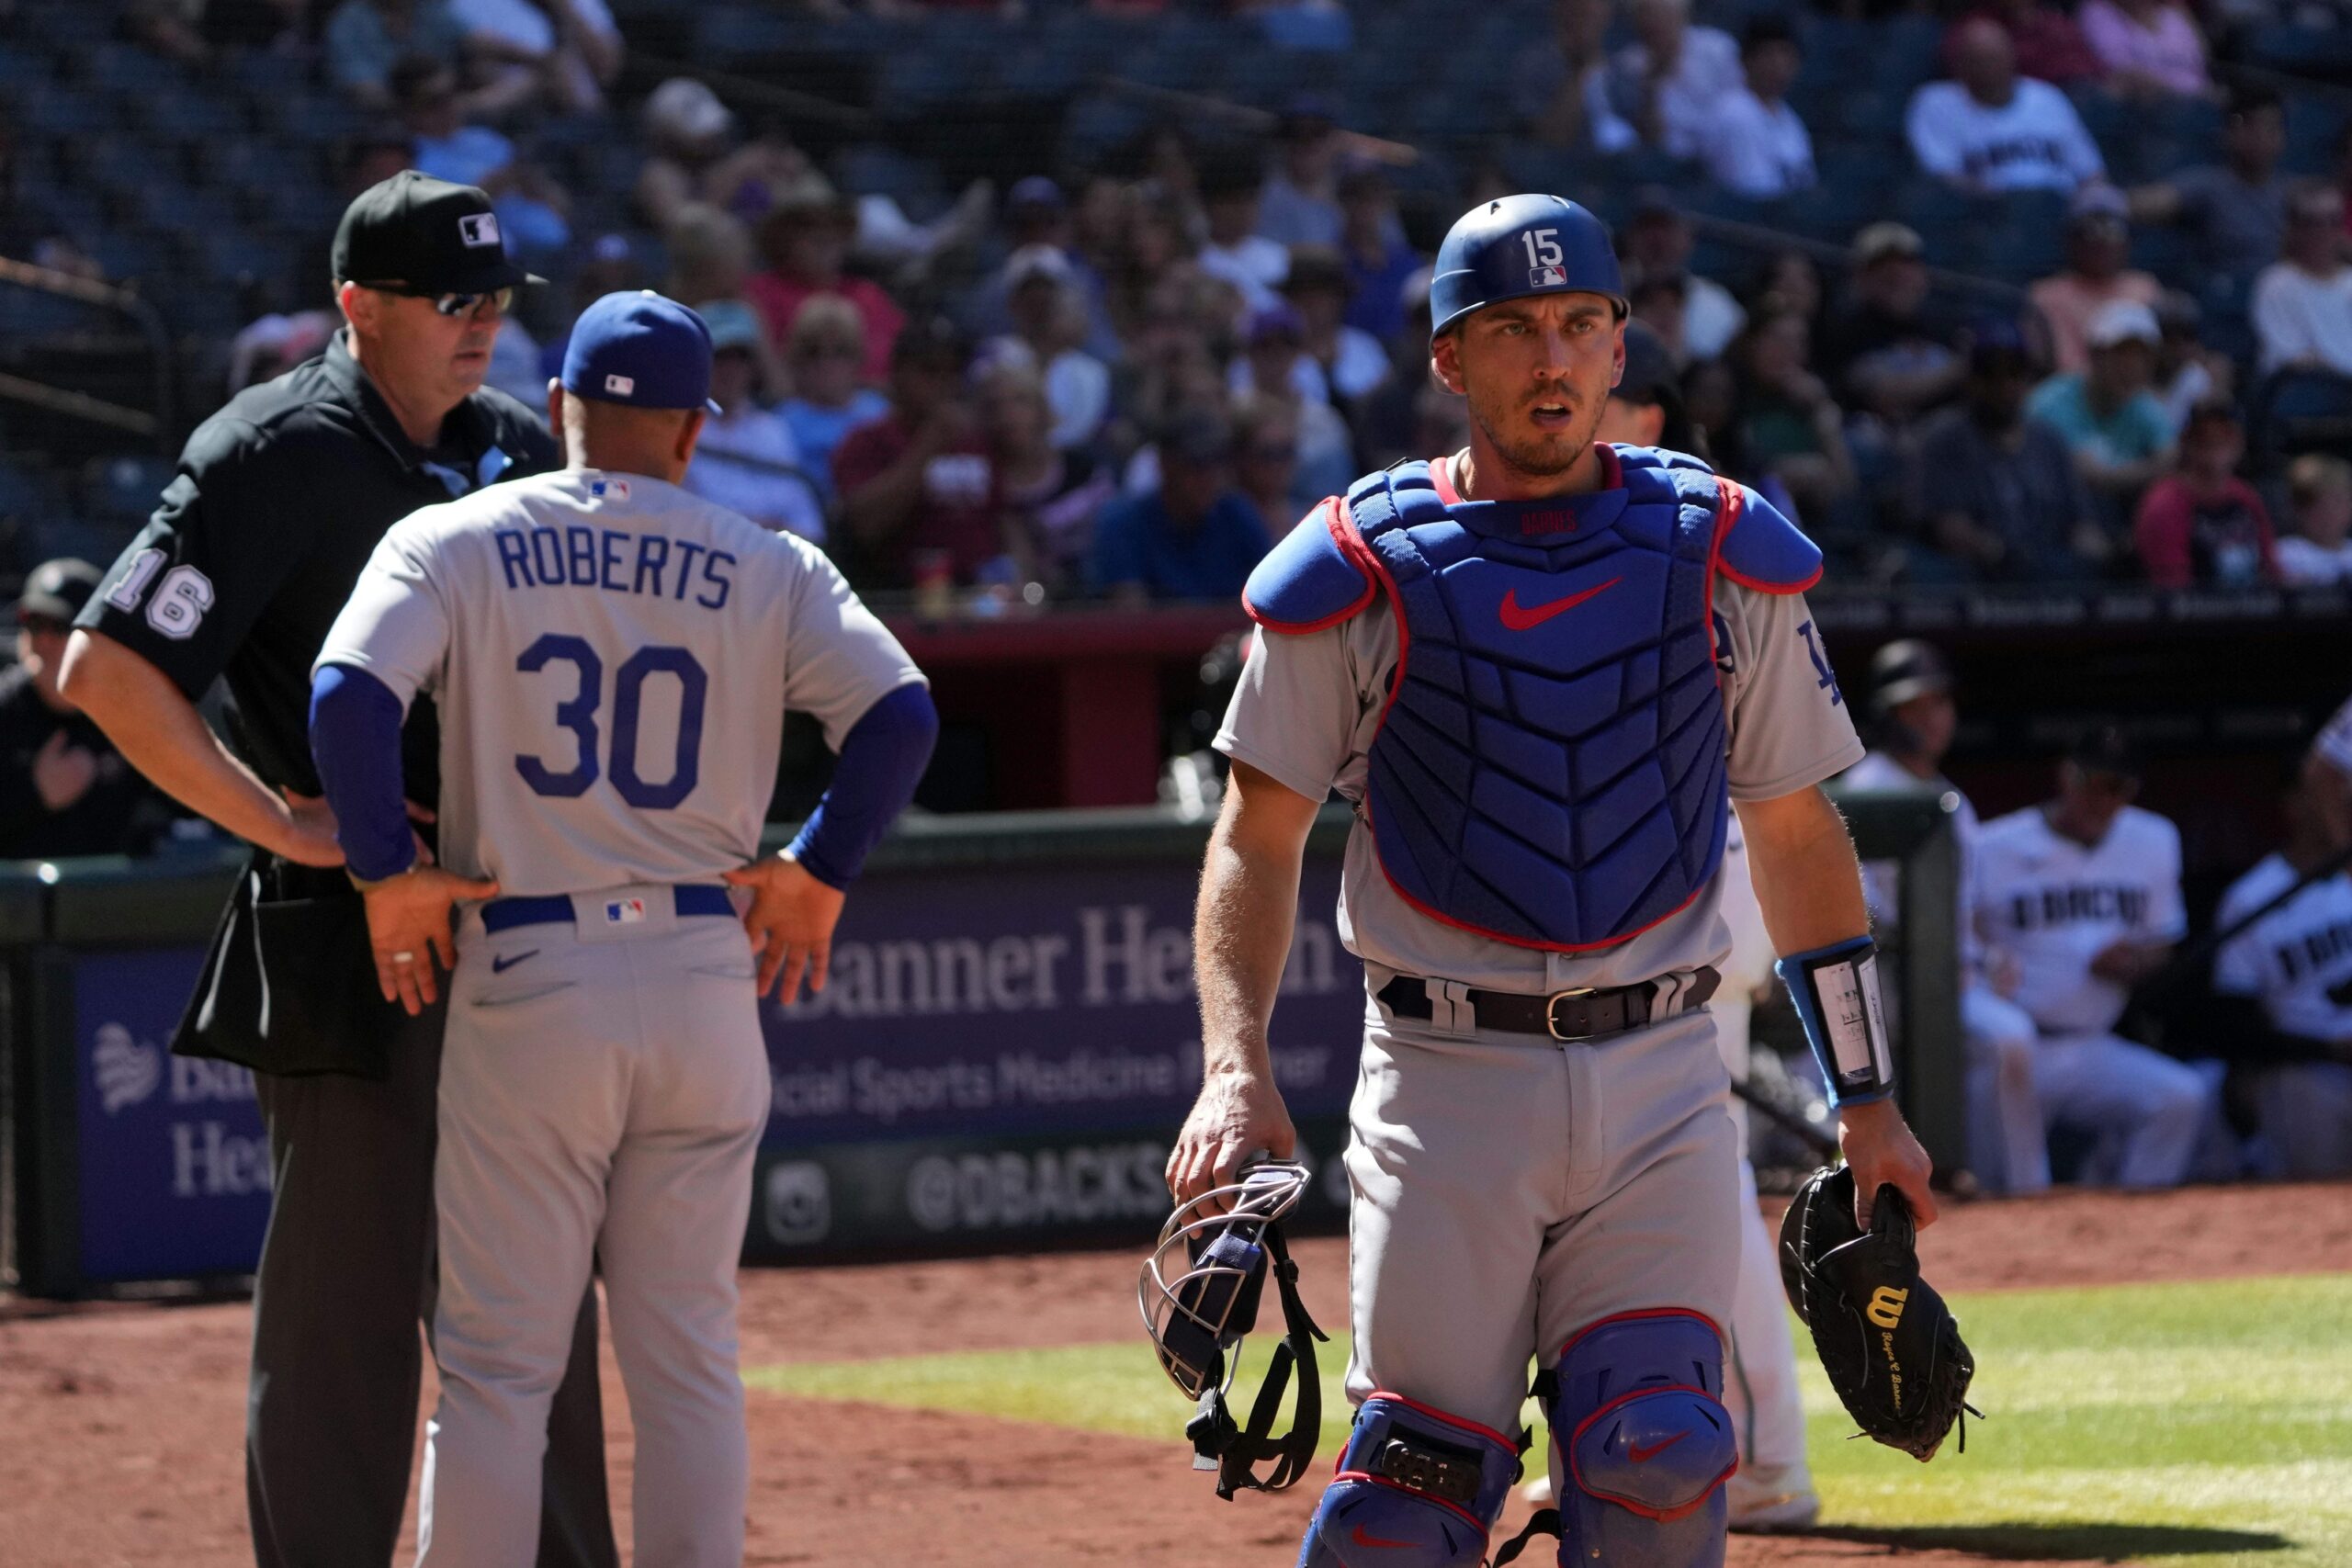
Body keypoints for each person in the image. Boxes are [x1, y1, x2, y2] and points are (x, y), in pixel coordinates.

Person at [1169, 194, 1935, 1568]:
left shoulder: (1718, 544)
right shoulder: (1360, 563)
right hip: (1446, 1078)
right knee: (1406, 1507)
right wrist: (1236, 1066)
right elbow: (1255, 835)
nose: (1552, 359)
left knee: (1660, 1456)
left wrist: (1864, 1098)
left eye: (1581, 323)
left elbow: (1801, 832)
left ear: (1621, 345)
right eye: (1512, 329)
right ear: (1450, 361)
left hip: (1662, 1071)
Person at [309, 288, 936, 1567]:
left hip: (534, 967)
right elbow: (901, 714)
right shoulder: (768, 557)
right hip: (707, 971)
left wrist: (388, 872)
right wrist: (819, 867)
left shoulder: (458, 534)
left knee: (497, 1370)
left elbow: (346, 695)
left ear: (557, 412)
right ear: (695, 432)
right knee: (689, 1361)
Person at [58, 172, 617, 1568]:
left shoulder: (502, 443)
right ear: (356, 305)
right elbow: (108, 670)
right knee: (347, 1318)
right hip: (357, 930)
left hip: (523, 918)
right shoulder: (275, 450)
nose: (480, 324)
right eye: (450, 300)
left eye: (494, 299)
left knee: (537, 1293)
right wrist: (287, 823)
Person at [1840, 640, 2048, 1194]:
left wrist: (1991, 955)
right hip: (1894, 983)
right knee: (2007, 1038)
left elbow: (1969, 911)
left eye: (1938, 705)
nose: (1930, 720)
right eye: (1914, 708)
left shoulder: (1950, 796)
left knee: (2015, 1030)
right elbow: (1861, 916)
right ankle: (2016, 1191)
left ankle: (2004, 1185)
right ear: (1888, 715)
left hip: (1952, 979)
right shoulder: (1866, 790)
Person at [1971, 728, 2212, 1188]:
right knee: (2016, 1188)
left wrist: (2136, 963)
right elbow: (1963, 935)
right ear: (2067, 777)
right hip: (2015, 1054)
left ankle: (2136, 1235)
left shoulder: (2153, 838)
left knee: (2179, 1098)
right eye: (2094, 783)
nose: (2102, 799)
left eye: (2118, 788)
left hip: (2092, 1044)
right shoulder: (1993, 846)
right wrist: (1988, 962)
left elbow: (2163, 944)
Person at [2211, 774, 2352, 1179]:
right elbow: (2235, 1023)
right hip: (2310, 1069)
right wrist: (2331, 1051)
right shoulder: (2251, 897)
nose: (2342, 808)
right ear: (2295, 805)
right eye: (2331, 797)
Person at [1905, 320, 2109, 581]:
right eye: (1990, 373)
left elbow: (2081, 525)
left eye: (2015, 373)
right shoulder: (1943, 439)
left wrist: (2107, 556)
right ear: (1971, 380)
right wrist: (2000, 553)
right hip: (1975, 585)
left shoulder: (2049, 440)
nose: (2004, 386)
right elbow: (1948, 527)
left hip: (2050, 582)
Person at [0, 558, 172, 859]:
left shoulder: (128, 714)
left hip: (109, 900)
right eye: (34, 624)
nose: (43, 641)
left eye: (59, 627)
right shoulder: (6, 708)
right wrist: (34, 794)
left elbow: (185, 808)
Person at [833, 319, 1004, 588]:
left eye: (953, 371)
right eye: (930, 370)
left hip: (982, 598)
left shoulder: (977, 441)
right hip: (900, 599)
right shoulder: (867, 441)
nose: (944, 383)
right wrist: (928, 446)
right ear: (897, 373)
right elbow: (864, 527)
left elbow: (1005, 523)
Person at [682, 299, 827, 542]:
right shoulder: (674, 430)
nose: (731, 368)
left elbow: (810, 528)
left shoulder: (774, 430)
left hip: (773, 564)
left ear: (754, 367)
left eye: (741, 358)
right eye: (721, 357)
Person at [1905, 18, 2106, 195]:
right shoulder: (1935, 103)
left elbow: (2091, 173)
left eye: (1996, 58)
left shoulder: (2047, 97)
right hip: (1988, 215)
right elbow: (1943, 176)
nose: (1990, 69)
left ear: (2012, 56)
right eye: (1980, 61)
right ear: (1960, 66)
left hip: (2061, 207)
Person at [1090, 409, 1269, 603]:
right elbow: (1130, 619)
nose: (1210, 477)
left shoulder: (1236, 514)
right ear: (1164, 464)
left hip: (1234, 633)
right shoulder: (1124, 523)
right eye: (1196, 463)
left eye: (1219, 462)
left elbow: (1272, 597)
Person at [2024, 299, 2175, 514]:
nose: (2132, 366)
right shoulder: (2049, 404)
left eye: (2142, 356)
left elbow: (2170, 459)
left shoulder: (2144, 405)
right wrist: (2151, 469)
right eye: (2121, 354)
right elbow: (2090, 476)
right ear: (2094, 355)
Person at [748, 178, 905, 384]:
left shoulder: (868, 294)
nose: (826, 238)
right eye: (808, 228)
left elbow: (899, 367)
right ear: (781, 239)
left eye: (835, 226)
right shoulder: (757, 294)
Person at [2130, 86, 2290, 288]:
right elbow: (2143, 203)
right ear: (2228, 132)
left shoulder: (2292, 193)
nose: (2259, 136)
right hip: (2223, 297)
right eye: (2248, 125)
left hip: (2278, 298)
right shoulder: (2208, 185)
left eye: (2270, 128)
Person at [983, 359, 1115, 594]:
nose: (1008, 414)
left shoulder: (1084, 469)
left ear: (1042, 408)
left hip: (1097, 598)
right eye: (994, 406)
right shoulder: (985, 484)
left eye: (1020, 400)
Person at [1821, 222, 1966, 430]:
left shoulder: (1944, 328)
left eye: (1906, 264)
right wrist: (1960, 368)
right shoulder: (1845, 330)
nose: (1897, 275)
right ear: (1861, 277)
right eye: (1883, 267)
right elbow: (1882, 396)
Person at [2132, 400, 2276, 588]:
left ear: (2239, 442)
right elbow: (2173, 590)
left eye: (2225, 433)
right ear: (2187, 441)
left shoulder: (2245, 497)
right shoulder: (2165, 504)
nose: (2215, 439)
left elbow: (2272, 572)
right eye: (2204, 435)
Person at [2029, 184, 2164, 378]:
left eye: (2113, 230)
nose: (2102, 241)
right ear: (2071, 239)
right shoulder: (2046, 295)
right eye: (2090, 230)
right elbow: (2062, 367)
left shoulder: (2145, 287)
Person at [779, 296, 888, 502]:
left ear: (858, 357)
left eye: (840, 351)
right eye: (813, 352)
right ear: (797, 360)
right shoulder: (781, 422)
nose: (826, 362)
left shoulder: (881, 413)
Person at [1608, 0, 1745, 159]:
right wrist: (1650, 92)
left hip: (1721, 146)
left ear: (1680, 16)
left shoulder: (1718, 49)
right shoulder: (1628, 66)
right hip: (1671, 158)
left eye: (1661, 16)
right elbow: (1649, 138)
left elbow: (1738, 108)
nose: (1653, 23)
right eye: (1646, 16)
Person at [1620, 193, 1746, 362]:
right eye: (1647, 227)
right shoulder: (1604, 296)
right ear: (1630, 236)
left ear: (1688, 237)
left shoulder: (1718, 306)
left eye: (1667, 228)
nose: (1657, 239)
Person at [1702, 17, 1816, 202]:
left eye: (1786, 55)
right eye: (1769, 55)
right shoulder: (1733, 112)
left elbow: (1805, 182)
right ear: (1747, 60)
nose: (1778, 65)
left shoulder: (1788, 117)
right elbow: (1751, 194)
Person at [2251, 183, 2352, 378]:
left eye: (2332, 221)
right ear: (2295, 229)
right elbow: (2290, 356)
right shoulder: (2275, 284)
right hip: (2307, 392)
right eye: (2313, 222)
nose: (2323, 231)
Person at [1510, 0, 1637, 153]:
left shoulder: (1619, 69)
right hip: (1563, 164)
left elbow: (1641, 132)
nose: (1584, 21)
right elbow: (1550, 138)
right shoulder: (1536, 65)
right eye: (1578, 13)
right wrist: (1581, 71)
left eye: (1592, 14)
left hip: (1619, 165)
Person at [2077, 0, 2209, 99]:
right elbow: (2120, 68)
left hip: (2200, 98)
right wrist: (2180, 93)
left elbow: (2198, 64)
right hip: (2145, 103)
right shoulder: (2099, 13)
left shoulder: (2172, 15)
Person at [2276, 453, 2352, 585]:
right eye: (2320, 505)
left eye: (2338, 502)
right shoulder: (2284, 554)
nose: (2330, 513)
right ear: (2299, 509)